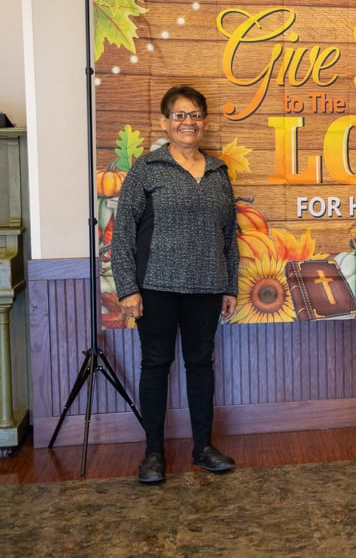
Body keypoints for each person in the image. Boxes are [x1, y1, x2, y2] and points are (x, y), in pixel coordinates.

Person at [111, 85, 240, 484]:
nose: (189, 122)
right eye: (180, 115)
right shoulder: (147, 169)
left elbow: (229, 235)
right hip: (156, 287)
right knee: (156, 365)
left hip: (206, 287)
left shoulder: (219, 172)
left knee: (201, 365)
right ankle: (153, 454)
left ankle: (202, 447)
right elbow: (123, 233)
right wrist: (127, 289)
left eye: (195, 114)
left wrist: (230, 286)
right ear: (165, 122)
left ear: (204, 121)